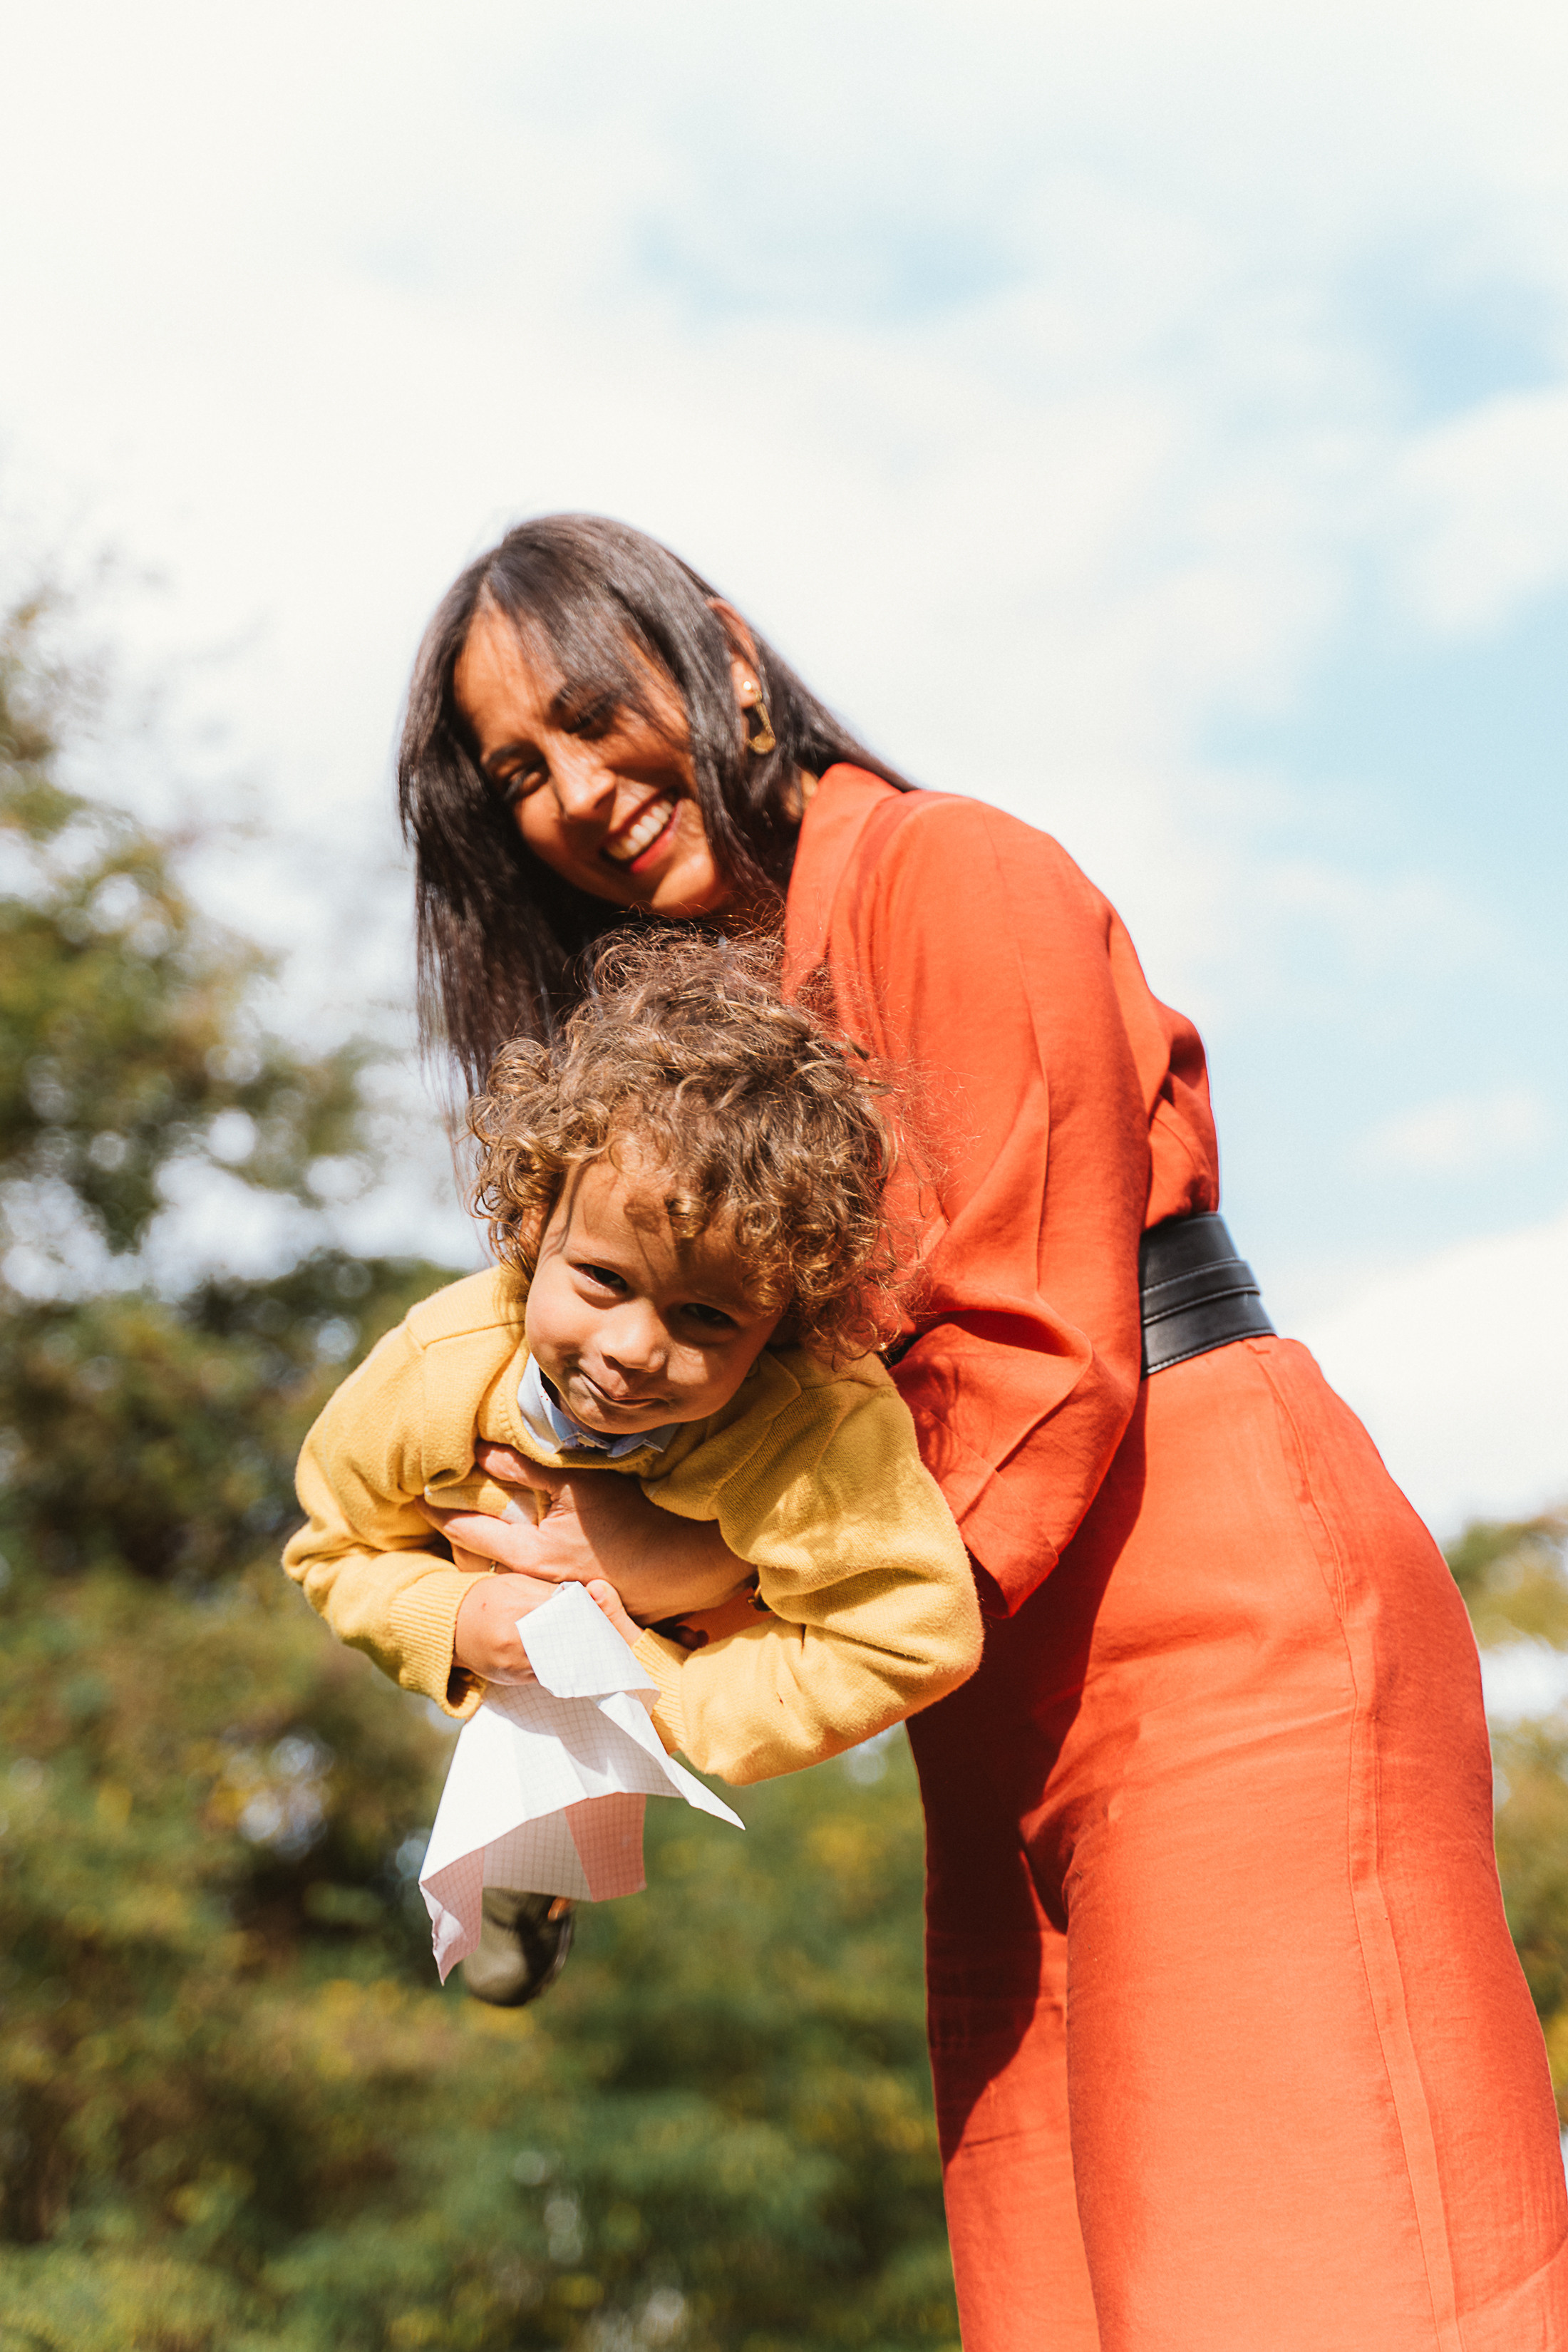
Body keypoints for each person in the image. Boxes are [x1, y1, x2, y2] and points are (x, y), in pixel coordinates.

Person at [393, 514, 1568, 2351]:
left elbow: (1029, 1357)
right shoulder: (713, 1062)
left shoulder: (956, 875)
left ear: (722, 650)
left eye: (589, 709)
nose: (570, 790)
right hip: (979, 1697)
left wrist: (658, 1584)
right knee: (1063, 2301)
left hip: (1212, 1618)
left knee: (1317, 2279)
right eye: (514, 772)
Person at [284, 932, 982, 1993]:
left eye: (706, 1316)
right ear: (530, 1222)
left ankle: (540, 1868)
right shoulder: (443, 1366)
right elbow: (332, 1548)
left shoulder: (816, 1427)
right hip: (503, 1624)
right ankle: (520, 1877)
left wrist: (665, 1690)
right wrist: (461, 1625)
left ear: (787, 1319)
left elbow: (910, 1636)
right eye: (603, 1281)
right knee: (509, 1777)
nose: (630, 1351)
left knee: (584, 1771)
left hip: (702, 1645)